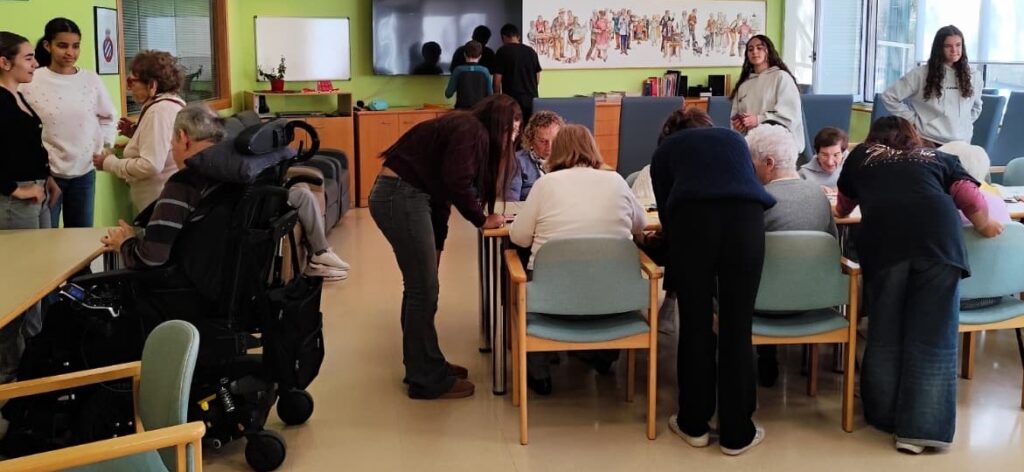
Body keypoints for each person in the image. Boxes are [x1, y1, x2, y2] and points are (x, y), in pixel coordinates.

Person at [834, 116, 1001, 454]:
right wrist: (986, 226)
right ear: (914, 137)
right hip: (939, 245)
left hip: (885, 248)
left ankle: (884, 416)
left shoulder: (862, 154)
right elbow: (970, 197)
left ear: (874, 137)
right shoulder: (939, 157)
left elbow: (843, 204)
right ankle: (921, 432)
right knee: (934, 338)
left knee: (884, 333)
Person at [369, 95, 520, 400]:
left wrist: (438, 244)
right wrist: (481, 219)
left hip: (407, 196)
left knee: (423, 288)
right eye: (510, 131)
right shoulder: (471, 130)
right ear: (496, 124)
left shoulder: (466, 129)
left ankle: (425, 362)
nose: (512, 139)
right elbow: (456, 182)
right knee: (422, 290)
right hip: (401, 196)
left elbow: (441, 197)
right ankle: (425, 377)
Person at [101, 104, 351, 279]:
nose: (172, 148)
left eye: (172, 142)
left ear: (183, 137)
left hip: (193, 290)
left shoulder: (184, 184)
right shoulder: (247, 174)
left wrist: (125, 243)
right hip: (243, 283)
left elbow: (152, 258)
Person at [652, 123, 775, 455]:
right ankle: (738, 433)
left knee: (696, 324)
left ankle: (694, 425)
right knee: (738, 326)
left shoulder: (665, 152)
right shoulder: (733, 138)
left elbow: (667, 214)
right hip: (747, 220)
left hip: (692, 223)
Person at [508, 124, 647, 395]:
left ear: (557, 150)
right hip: (612, 295)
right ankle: (603, 356)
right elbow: (640, 224)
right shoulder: (616, 181)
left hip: (553, 295)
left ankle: (539, 373)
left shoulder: (545, 184)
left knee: (524, 271)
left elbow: (520, 238)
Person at [746, 124, 838, 387]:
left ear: (769, 163)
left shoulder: (757, 199)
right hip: (816, 299)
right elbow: (832, 247)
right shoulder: (819, 196)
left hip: (762, 302)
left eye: (751, 162)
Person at [0, 31, 60, 385]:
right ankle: (9, 374)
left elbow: (27, 147)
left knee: (39, 281)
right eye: (28, 58)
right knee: (18, 287)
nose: (35, 63)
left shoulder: (18, 95)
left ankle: (34, 363)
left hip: (38, 194)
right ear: (4, 62)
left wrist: (47, 177)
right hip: (14, 203)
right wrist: (14, 189)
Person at [21, 18, 115, 228]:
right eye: (62, 46)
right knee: (46, 236)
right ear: (48, 45)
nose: (70, 52)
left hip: (84, 172)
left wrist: (106, 145)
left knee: (82, 235)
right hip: (46, 175)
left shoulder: (91, 79)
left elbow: (108, 116)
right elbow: (23, 128)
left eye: (76, 46)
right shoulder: (31, 81)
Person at [94, 50, 185, 213]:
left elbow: (150, 165)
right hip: (166, 198)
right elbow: (164, 144)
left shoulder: (159, 111)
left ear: (152, 85)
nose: (129, 89)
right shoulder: (169, 103)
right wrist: (137, 134)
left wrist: (109, 163)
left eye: (132, 82)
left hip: (159, 203)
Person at [880, 25, 982, 146]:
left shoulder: (974, 76)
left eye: (958, 45)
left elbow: (976, 107)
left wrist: (964, 124)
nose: (954, 50)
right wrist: (913, 121)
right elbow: (889, 97)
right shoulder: (920, 74)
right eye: (948, 46)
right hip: (928, 140)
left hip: (962, 143)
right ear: (939, 48)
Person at [730, 35, 805, 154]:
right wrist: (739, 125)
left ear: (768, 51)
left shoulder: (781, 77)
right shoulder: (744, 85)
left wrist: (758, 120)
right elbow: (735, 118)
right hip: (752, 147)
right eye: (750, 49)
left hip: (780, 147)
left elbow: (790, 116)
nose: (754, 52)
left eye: (759, 48)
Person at [505, 110, 563, 201]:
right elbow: (511, 203)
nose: (549, 146)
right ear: (530, 139)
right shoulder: (517, 162)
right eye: (543, 141)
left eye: (555, 140)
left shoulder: (568, 161)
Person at [494, 24, 541, 125]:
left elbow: (497, 79)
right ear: (518, 36)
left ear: (504, 37)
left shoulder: (502, 51)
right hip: (531, 100)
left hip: (511, 101)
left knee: (513, 129)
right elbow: (537, 76)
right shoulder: (531, 51)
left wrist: (497, 97)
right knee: (529, 129)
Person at [445, 41, 492, 110]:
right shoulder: (485, 71)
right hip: (479, 111)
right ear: (480, 56)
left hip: (461, 111)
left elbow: (448, 94)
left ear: (464, 54)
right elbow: (490, 95)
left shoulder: (458, 70)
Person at [799, 127, 849, 193]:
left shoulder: (853, 164)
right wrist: (813, 190)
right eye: (825, 155)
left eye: (835, 155)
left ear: (843, 153)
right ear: (817, 153)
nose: (830, 162)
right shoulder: (803, 174)